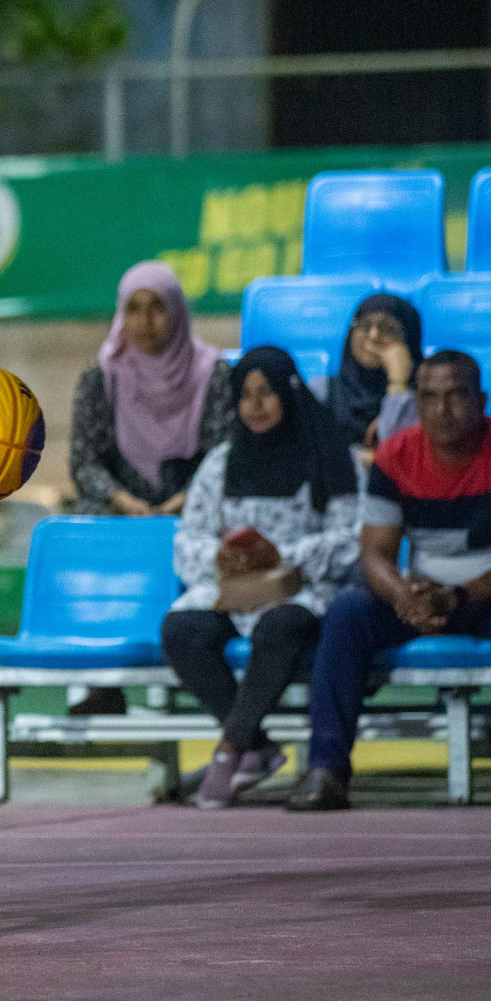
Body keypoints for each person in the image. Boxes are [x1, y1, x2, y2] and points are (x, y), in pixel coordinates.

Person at [289, 350, 491, 812]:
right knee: (346, 615)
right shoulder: (396, 455)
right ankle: (327, 769)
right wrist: (405, 595)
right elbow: (374, 555)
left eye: (455, 397)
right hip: (422, 597)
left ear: (481, 401)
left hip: (480, 595)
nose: (442, 410)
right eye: (430, 398)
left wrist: (455, 597)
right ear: (415, 403)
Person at [161, 347, 361, 809]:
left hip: (301, 587)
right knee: (183, 630)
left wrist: (283, 556)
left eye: (266, 393)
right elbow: (187, 537)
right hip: (234, 587)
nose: (255, 405)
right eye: (246, 395)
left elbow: (352, 536)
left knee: (283, 626)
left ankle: (232, 747)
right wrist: (220, 557)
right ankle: (258, 747)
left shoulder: (330, 456)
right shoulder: (222, 462)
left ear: (289, 395)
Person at [68, 261, 235, 715]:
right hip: (125, 507)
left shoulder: (213, 373)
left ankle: (206, 669)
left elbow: (226, 452)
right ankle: (102, 679)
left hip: (197, 503)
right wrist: (129, 504)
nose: (144, 322)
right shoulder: (101, 377)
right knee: (90, 522)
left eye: (157, 308)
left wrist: (183, 502)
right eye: (134, 309)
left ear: (177, 312)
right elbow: (83, 462)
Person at [318, 293, 422, 453]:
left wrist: (399, 384)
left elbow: (402, 456)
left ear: (408, 340)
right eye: (365, 326)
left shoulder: (430, 398)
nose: (373, 336)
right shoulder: (322, 391)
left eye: (388, 329)